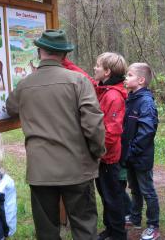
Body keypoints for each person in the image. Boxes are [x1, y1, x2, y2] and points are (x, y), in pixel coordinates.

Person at [6, 29, 105, 240]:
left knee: (47, 231)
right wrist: (96, 152)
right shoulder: (78, 81)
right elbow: (93, 124)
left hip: (40, 170)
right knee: (84, 226)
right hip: (77, 167)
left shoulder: (24, 85)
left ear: (39, 51)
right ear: (64, 55)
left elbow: (10, 108)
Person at [62, 53, 128, 240]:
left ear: (107, 72)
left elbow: (111, 133)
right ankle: (110, 229)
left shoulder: (113, 96)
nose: (94, 68)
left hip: (107, 158)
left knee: (112, 198)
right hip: (102, 156)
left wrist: (96, 152)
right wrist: (65, 62)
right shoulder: (103, 88)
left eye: (98, 66)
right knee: (106, 195)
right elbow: (86, 78)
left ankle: (118, 234)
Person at [122, 63, 160, 240]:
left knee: (147, 191)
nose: (126, 78)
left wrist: (132, 150)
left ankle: (153, 225)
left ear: (141, 80)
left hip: (140, 156)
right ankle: (135, 218)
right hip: (130, 156)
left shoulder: (146, 101)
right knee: (134, 189)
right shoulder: (130, 98)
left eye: (129, 75)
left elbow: (147, 130)